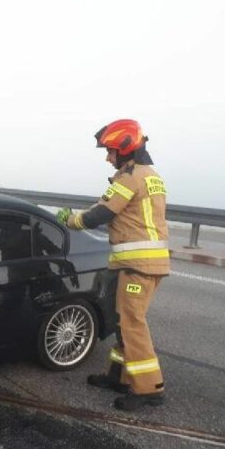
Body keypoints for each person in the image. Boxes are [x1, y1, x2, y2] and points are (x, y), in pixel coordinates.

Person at [56, 119, 169, 411]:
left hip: (138, 265)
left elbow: (99, 215)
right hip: (140, 263)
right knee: (123, 322)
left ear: (125, 148)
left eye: (110, 151)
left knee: (132, 324)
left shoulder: (129, 177)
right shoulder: (150, 175)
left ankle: (149, 388)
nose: (107, 157)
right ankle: (118, 375)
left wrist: (68, 219)